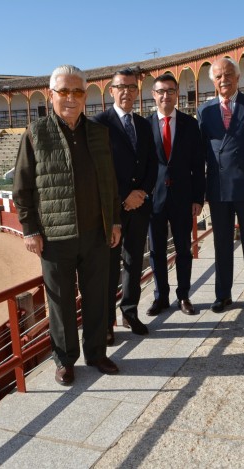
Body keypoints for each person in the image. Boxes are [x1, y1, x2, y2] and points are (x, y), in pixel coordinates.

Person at [13, 65, 122, 387]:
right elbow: (22, 187)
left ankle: (97, 353)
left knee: (97, 296)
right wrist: (30, 229)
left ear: (85, 96)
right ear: (52, 95)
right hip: (55, 235)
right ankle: (64, 360)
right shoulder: (35, 133)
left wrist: (114, 221)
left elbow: (110, 184)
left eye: (77, 92)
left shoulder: (99, 133)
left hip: (96, 232)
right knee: (59, 302)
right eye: (64, 92)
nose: (71, 98)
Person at [91, 68, 157, 346]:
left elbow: (153, 164)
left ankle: (129, 311)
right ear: (111, 90)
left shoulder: (143, 124)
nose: (127, 92)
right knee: (108, 267)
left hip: (139, 207)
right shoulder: (98, 124)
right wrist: (123, 198)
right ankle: (107, 323)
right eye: (122, 87)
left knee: (133, 263)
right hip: (112, 211)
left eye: (132, 87)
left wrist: (141, 193)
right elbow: (98, 171)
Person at [197, 58, 244, 314]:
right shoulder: (204, 111)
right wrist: (200, 189)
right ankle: (222, 294)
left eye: (228, 75)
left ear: (238, 78)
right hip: (218, 188)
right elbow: (202, 151)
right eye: (218, 76)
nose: (223, 80)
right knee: (222, 244)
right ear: (212, 81)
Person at [146, 74, 206, 316]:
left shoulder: (190, 124)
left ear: (177, 93)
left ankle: (183, 296)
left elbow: (197, 164)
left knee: (183, 250)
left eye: (170, 91)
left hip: (183, 198)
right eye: (161, 91)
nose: (165, 95)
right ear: (154, 94)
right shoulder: (145, 125)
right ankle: (161, 297)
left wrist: (198, 198)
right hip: (154, 200)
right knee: (157, 251)